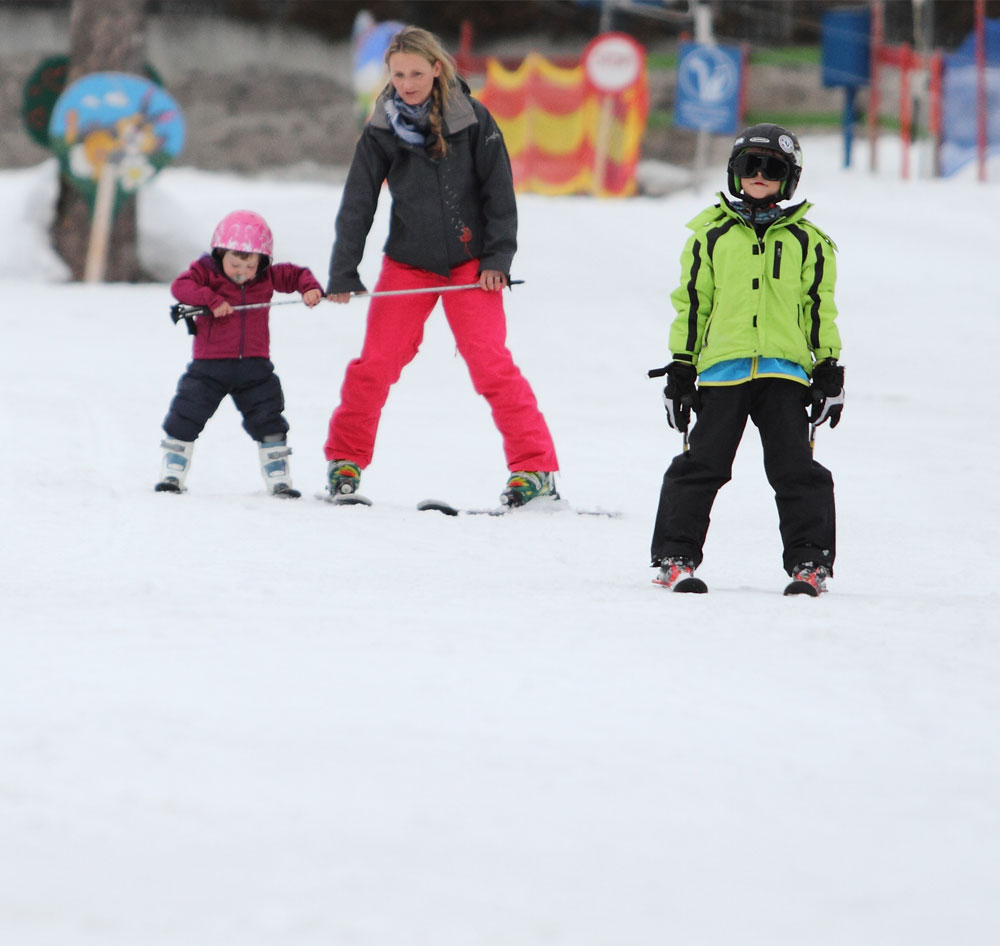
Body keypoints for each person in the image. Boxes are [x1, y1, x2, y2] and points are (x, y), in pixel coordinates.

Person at [323, 25, 559, 507]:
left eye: (415, 72)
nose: (406, 83)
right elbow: (359, 201)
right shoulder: (383, 127)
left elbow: (499, 194)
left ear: (437, 68)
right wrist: (344, 270)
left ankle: (535, 469)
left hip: (472, 268)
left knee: (490, 363)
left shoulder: (472, 118)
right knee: (376, 364)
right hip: (408, 263)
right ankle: (345, 461)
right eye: (397, 74)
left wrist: (497, 258)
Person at [650, 123, 844, 595]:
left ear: (789, 178)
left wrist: (828, 367)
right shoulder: (710, 236)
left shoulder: (809, 242)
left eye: (772, 169)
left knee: (796, 469)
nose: (760, 176)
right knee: (702, 465)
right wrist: (681, 367)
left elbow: (819, 307)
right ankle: (675, 557)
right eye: (749, 167)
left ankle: (810, 562)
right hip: (722, 372)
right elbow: (693, 304)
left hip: (784, 371)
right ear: (735, 174)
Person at [156, 209, 324, 497]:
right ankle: (173, 469)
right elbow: (180, 286)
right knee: (187, 411)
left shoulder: (266, 277)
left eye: (250, 267)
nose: (242, 273)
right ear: (220, 254)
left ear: (262, 262)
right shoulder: (206, 272)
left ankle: (278, 475)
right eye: (235, 264)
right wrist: (211, 298)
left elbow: (297, 275)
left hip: (255, 367)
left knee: (269, 415)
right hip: (209, 366)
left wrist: (309, 288)